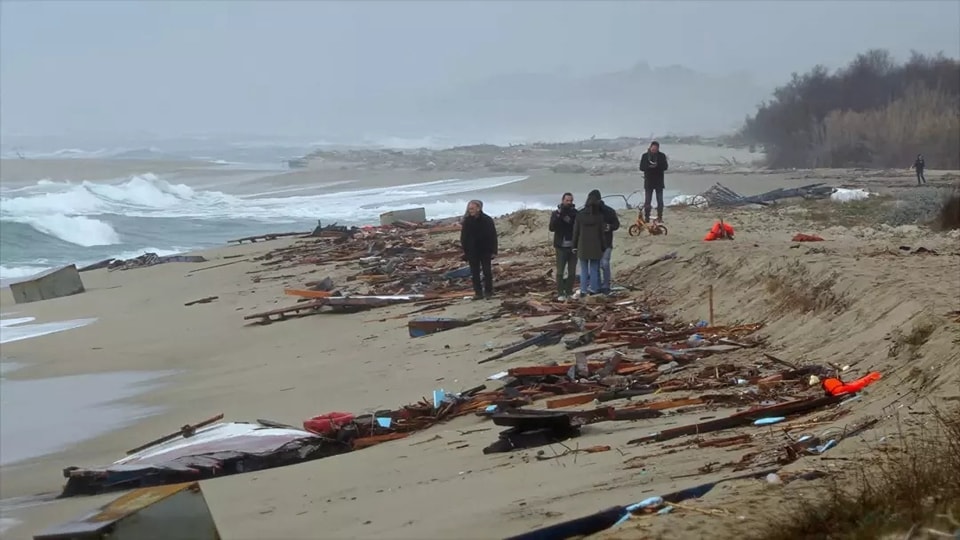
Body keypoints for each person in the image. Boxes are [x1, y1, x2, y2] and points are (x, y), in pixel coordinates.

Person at [460, 199, 498, 300]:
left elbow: (493, 236)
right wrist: (465, 251)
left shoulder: (487, 220)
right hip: (472, 251)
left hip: (485, 250)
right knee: (474, 273)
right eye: (469, 209)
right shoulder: (467, 221)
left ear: (478, 208)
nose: (470, 211)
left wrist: (494, 251)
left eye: (472, 209)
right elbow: (463, 237)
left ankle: (489, 292)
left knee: (487, 271)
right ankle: (478, 293)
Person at [572, 190, 606, 298]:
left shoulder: (580, 215)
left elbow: (576, 232)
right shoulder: (599, 216)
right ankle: (594, 289)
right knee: (594, 268)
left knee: (584, 269)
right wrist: (603, 246)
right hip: (595, 246)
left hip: (582, 245)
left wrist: (574, 245)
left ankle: (583, 290)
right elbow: (602, 234)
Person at [586, 189, 620, 295]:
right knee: (595, 264)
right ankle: (597, 284)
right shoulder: (588, 211)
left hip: (606, 241)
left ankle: (605, 285)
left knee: (604, 263)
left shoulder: (608, 211)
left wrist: (609, 227)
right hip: (594, 242)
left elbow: (616, 224)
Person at [548, 192, 578, 301]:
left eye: (571, 201)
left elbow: (577, 228)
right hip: (560, 246)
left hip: (573, 246)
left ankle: (569, 291)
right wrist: (560, 216)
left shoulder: (575, 213)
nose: (569, 203)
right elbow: (551, 227)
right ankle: (560, 292)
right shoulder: (556, 213)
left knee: (572, 271)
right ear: (562, 200)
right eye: (567, 200)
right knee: (560, 271)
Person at [639, 141, 669, 223]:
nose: (654, 150)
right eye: (653, 148)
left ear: (658, 149)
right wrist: (649, 167)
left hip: (659, 181)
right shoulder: (645, 156)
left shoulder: (661, 156)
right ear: (650, 147)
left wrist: (657, 166)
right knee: (647, 201)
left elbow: (665, 167)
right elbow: (641, 167)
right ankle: (647, 217)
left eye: (656, 149)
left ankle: (660, 217)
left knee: (660, 200)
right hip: (649, 181)